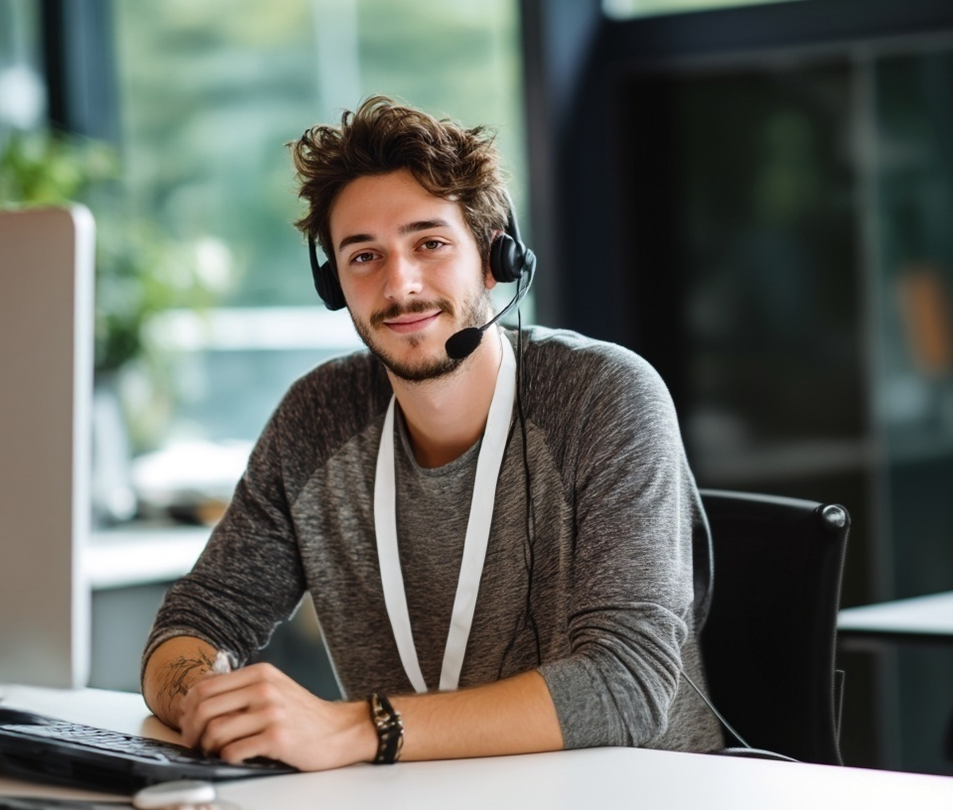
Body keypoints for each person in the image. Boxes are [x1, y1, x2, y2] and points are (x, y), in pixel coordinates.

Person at [141, 96, 722, 770]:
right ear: (336, 285)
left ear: (492, 258)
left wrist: (355, 729)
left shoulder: (604, 399)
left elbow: (627, 685)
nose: (401, 284)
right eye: (364, 256)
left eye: (430, 243)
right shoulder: (316, 417)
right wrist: (205, 699)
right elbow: (193, 621)